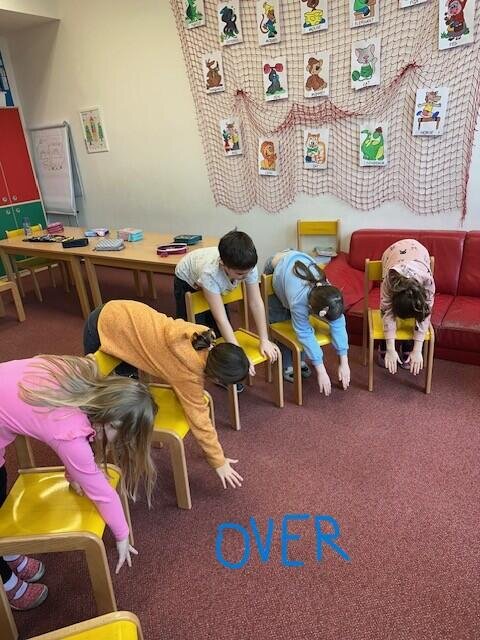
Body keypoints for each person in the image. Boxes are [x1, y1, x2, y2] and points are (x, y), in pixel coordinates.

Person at [0, 355, 157, 610]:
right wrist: (122, 534)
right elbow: (102, 493)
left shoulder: (85, 377)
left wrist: (74, 474)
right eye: (122, 434)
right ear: (111, 421)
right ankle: (6, 582)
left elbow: (66, 440)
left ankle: (8, 551)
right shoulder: (70, 431)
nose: (121, 442)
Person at [83, 300, 249, 489]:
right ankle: (86, 462)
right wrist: (218, 461)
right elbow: (200, 421)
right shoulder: (188, 376)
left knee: (128, 391)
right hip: (102, 328)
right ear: (217, 378)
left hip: (121, 313)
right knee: (98, 405)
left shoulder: (204, 335)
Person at [174, 230, 280, 381]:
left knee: (221, 334)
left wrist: (264, 339)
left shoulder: (247, 266)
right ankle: (192, 374)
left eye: (248, 272)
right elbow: (221, 319)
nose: (246, 276)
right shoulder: (210, 274)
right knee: (196, 334)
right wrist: (241, 356)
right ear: (223, 264)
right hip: (187, 280)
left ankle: (225, 371)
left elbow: (256, 302)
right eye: (240, 274)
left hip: (213, 280)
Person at [264, 249, 350, 396]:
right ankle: (287, 365)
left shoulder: (328, 292)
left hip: (296, 266)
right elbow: (304, 332)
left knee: (298, 319)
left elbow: (338, 323)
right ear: (314, 310)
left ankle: (300, 361)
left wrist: (344, 361)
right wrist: (321, 371)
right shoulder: (299, 300)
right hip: (276, 265)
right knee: (282, 321)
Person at [379, 239, 435, 375]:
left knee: (417, 313)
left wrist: (417, 349)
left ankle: (408, 344)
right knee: (387, 316)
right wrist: (390, 348)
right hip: (391, 252)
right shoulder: (389, 280)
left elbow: (425, 313)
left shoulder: (428, 282)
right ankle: (385, 344)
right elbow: (387, 311)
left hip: (419, 252)